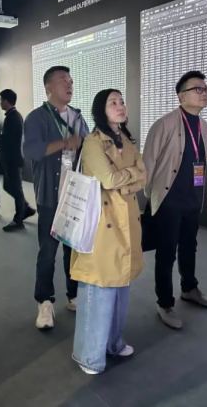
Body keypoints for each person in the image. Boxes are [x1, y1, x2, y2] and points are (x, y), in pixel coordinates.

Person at [71, 89, 146, 375]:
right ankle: (88, 355)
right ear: (100, 110)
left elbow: (143, 176)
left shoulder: (127, 139)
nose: (120, 106)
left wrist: (128, 180)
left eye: (122, 101)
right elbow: (109, 179)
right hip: (102, 223)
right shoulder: (93, 142)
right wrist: (132, 176)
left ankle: (113, 343)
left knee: (120, 288)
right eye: (113, 102)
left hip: (126, 221)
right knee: (99, 289)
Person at [143, 70, 207, 330]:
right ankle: (164, 302)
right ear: (181, 96)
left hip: (192, 200)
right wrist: (151, 198)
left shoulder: (204, 126)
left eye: (206, 89)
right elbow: (148, 165)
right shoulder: (164, 124)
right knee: (166, 252)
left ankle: (189, 288)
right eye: (198, 89)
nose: (204, 93)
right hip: (169, 200)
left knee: (189, 246)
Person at [23, 65, 89, 329]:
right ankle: (44, 302)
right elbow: (32, 151)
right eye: (63, 80)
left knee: (73, 250)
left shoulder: (77, 116)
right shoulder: (37, 117)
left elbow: (88, 146)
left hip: (75, 194)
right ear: (48, 87)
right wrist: (65, 143)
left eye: (71, 80)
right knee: (48, 251)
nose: (69, 84)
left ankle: (74, 295)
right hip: (50, 195)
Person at [0, 89, 36, 232]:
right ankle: (25, 208)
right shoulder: (12, 116)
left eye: (1, 100)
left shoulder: (13, 117)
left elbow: (12, 141)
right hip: (11, 159)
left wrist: (1, 141)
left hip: (13, 160)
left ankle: (18, 219)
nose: (0, 103)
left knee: (16, 189)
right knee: (9, 186)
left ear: (7, 101)